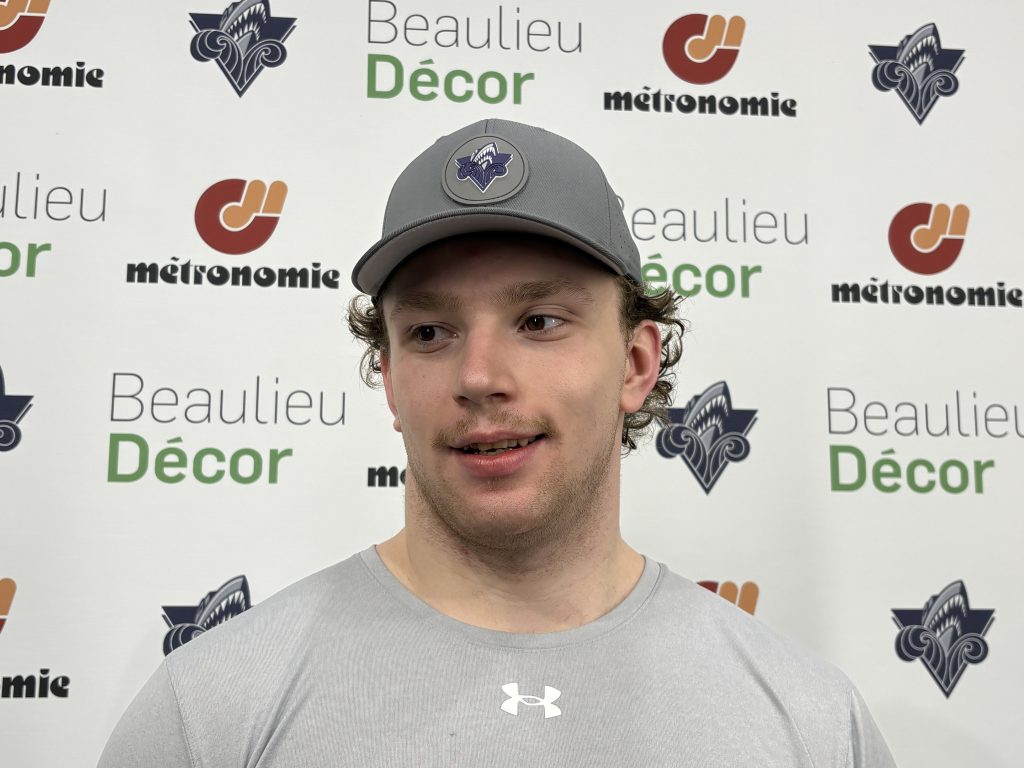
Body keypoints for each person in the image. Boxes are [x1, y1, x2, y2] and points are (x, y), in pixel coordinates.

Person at [98, 119, 897, 767]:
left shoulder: (810, 721)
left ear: (636, 364)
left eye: (539, 321)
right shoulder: (212, 708)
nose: (479, 375)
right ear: (389, 377)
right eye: (431, 331)